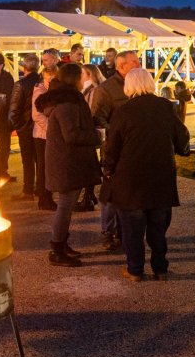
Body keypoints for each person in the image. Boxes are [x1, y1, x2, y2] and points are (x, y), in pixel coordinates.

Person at [101, 69, 190, 281]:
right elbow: (181, 135)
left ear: (129, 86)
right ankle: (160, 269)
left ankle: (135, 270)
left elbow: (112, 146)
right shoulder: (165, 107)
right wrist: (181, 149)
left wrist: (108, 168)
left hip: (131, 179)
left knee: (133, 230)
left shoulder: (123, 111)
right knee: (158, 228)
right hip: (160, 176)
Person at [35, 63, 101, 267]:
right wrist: (97, 135)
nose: (84, 79)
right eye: (81, 76)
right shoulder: (67, 103)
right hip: (67, 162)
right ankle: (56, 249)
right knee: (64, 206)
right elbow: (72, 134)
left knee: (67, 206)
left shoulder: (66, 100)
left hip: (67, 161)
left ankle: (61, 244)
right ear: (74, 79)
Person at [94, 50, 142, 249]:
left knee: (131, 192)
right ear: (121, 66)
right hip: (115, 149)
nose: (139, 65)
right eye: (135, 62)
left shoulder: (139, 86)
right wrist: (116, 134)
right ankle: (108, 233)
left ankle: (125, 233)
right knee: (111, 193)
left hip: (136, 149)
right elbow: (97, 118)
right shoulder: (106, 90)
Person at [8, 54, 42, 201]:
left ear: (24, 67)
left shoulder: (21, 84)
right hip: (39, 127)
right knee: (40, 160)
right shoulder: (42, 83)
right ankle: (40, 189)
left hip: (26, 128)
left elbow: (14, 109)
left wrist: (18, 127)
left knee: (27, 161)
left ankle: (28, 190)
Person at [74, 64, 105, 211]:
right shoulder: (87, 89)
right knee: (89, 162)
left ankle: (88, 196)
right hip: (89, 129)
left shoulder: (94, 90)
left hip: (91, 130)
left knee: (89, 163)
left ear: (89, 74)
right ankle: (89, 195)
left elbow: (92, 110)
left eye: (82, 73)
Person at [32, 65, 58, 211]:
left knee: (47, 167)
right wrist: (51, 129)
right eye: (49, 79)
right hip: (42, 135)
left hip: (45, 134)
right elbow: (36, 115)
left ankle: (47, 197)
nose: (51, 82)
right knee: (43, 168)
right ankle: (44, 199)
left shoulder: (48, 90)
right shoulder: (40, 91)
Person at [0, 53, 15, 182]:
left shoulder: (7, 77)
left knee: (5, 146)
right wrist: (0, 97)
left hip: (4, 117)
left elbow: (8, 95)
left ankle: (3, 173)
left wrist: (1, 97)